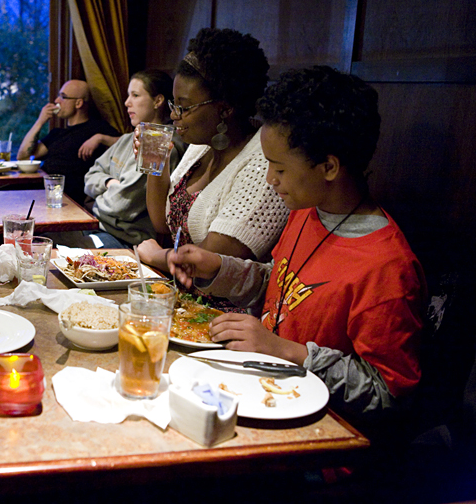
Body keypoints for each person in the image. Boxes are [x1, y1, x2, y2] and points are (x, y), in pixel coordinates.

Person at [167, 66, 426, 424]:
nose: (269, 179)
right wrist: (219, 269)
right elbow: (282, 286)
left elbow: (389, 393)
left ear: (329, 167)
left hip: (322, 432)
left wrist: (289, 352)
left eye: (279, 169)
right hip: (265, 392)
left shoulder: (386, 267)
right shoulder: (307, 212)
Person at [136, 28, 289, 285]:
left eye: (184, 107)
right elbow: (162, 223)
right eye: (174, 104)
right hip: (176, 292)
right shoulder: (204, 145)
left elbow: (207, 258)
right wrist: (156, 163)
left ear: (225, 109)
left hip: (217, 304)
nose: (174, 115)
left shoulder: (263, 165)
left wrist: (156, 256)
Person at [81, 69, 185, 249]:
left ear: (158, 101)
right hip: (96, 225)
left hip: (124, 240)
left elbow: (120, 205)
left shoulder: (159, 144)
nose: (127, 102)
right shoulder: (126, 139)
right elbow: (90, 176)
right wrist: (108, 183)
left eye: (135, 95)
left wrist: (96, 200)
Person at [17, 79, 120, 206]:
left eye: (63, 97)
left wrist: (100, 138)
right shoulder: (57, 133)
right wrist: (40, 121)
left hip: (68, 198)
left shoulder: (97, 129)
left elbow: (127, 142)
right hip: (42, 191)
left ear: (78, 103)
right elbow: (23, 156)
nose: (56, 101)